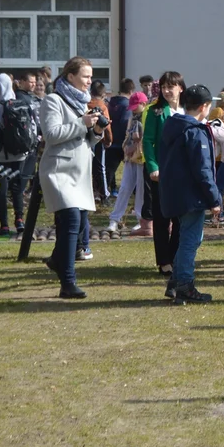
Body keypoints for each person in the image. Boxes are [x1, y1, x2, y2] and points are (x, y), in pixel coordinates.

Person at [39, 57, 106, 299]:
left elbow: (86, 139)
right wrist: (82, 122)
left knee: (77, 223)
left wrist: (96, 132)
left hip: (79, 173)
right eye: (86, 76)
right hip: (59, 171)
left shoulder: (82, 103)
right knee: (69, 221)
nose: (90, 81)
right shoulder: (53, 100)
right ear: (70, 76)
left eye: (90, 76)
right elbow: (52, 133)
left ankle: (58, 260)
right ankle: (68, 282)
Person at [160, 84, 221, 305]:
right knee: (190, 240)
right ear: (204, 107)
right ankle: (184, 285)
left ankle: (176, 282)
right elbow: (203, 170)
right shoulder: (195, 131)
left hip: (174, 193)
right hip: (190, 197)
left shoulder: (172, 125)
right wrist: (214, 198)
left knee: (188, 237)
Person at [143, 71, 185, 277]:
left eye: (172, 86)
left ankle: (176, 255)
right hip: (162, 172)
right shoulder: (156, 111)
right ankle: (163, 261)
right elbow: (147, 141)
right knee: (161, 217)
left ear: (180, 88)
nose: (168, 91)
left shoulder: (188, 110)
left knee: (180, 217)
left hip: (183, 172)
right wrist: (152, 166)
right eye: (164, 87)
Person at [0, 73, 30, 237]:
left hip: (0, 155)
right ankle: (20, 219)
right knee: (17, 189)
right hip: (19, 154)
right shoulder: (22, 103)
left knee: (1, 189)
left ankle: (4, 224)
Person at [107, 91, 149, 233]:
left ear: (144, 104)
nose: (133, 110)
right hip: (130, 158)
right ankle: (114, 219)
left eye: (136, 106)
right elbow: (128, 135)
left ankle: (140, 219)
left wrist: (137, 144)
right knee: (125, 188)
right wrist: (126, 148)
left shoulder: (147, 117)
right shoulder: (133, 117)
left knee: (141, 191)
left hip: (142, 158)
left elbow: (146, 138)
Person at [106, 78, 135, 196]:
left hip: (110, 140)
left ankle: (107, 190)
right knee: (132, 170)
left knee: (109, 170)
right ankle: (135, 192)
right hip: (122, 142)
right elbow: (125, 122)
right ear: (131, 91)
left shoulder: (111, 103)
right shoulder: (127, 105)